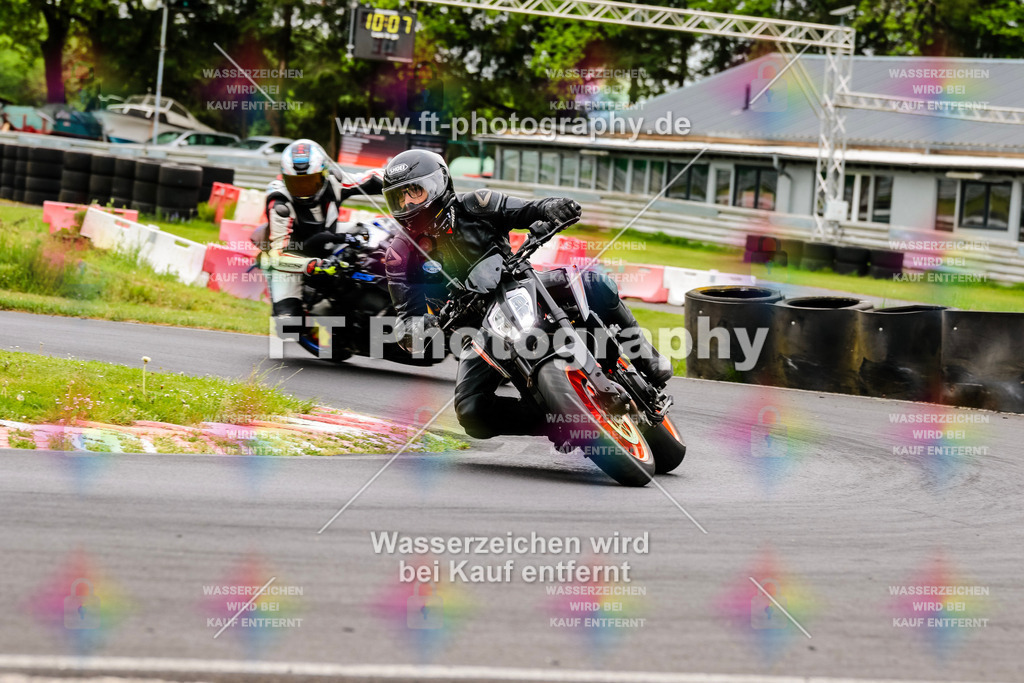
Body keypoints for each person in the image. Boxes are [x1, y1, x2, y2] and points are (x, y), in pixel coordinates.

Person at [381, 149, 672, 440]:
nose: (407, 203)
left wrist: (554, 208)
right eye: (399, 197)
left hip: (523, 285)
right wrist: (416, 330)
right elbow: (407, 317)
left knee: (595, 283)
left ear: (438, 184)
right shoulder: (400, 253)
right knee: (472, 411)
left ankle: (645, 356)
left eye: (414, 192)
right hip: (478, 330)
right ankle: (554, 423)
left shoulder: (477, 204)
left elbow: (527, 209)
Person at [263, 139, 384, 319]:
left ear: (323, 174)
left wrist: (398, 177)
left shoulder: (334, 181)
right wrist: (312, 265)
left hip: (329, 237)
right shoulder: (280, 203)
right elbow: (276, 255)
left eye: (310, 181)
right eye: (296, 183)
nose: (303, 190)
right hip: (294, 256)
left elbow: (370, 178)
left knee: (376, 229)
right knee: (288, 323)